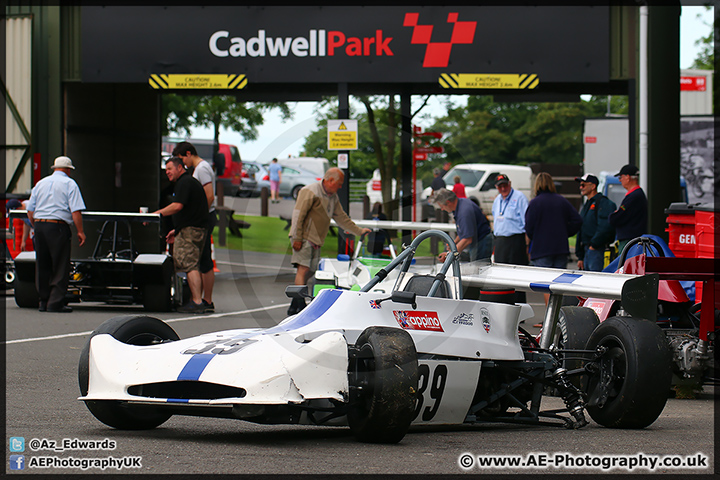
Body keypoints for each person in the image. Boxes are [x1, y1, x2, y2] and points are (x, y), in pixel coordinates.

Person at [288, 167, 371, 315]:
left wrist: (359, 231)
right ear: (330, 180)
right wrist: (297, 237)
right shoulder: (310, 191)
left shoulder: (333, 197)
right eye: (339, 184)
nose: (340, 187)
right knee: (304, 268)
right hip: (304, 236)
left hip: (316, 239)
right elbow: (298, 215)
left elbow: (341, 218)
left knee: (311, 270)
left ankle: (295, 302)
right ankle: (299, 305)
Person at [26, 156, 86, 313]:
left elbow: (30, 209)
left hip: (39, 224)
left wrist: (36, 225)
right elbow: (75, 210)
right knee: (60, 264)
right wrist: (80, 231)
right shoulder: (70, 184)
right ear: (67, 170)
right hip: (58, 226)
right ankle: (55, 302)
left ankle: (43, 300)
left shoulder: (41, 183)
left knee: (43, 263)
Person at [153, 157, 209, 314]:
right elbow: (190, 211)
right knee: (190, 263)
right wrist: (176, 230)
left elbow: (178, 206)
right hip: (192, 229)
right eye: (166, 170)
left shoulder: (184, 183)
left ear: (179, 167)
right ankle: (194, 300)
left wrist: (157, 214)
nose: (167, 172)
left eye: (170, 169)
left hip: (191, 231)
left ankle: (197, 301)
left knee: (190, 265)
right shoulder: (188, 182)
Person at [173, 141, 217, 313]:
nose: (183, 164)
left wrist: (199, 215)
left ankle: (205, 299)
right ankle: (205, 299)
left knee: (201, 259)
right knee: (204, 259)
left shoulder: (202, 169)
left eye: (182, 159)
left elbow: (209, 195)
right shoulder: (200, 168)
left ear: (189, 153)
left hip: (204, 217)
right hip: (203, 217)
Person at [525, 172, 582, 269]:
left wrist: (537, 236)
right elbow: (577, 220)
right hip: (560, 248)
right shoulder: (561, 201)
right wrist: (565, 232)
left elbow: (529, 227)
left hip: (541, 249)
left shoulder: (534, 203)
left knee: (543, 280)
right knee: (558, 281)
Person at [434, 188, 492, 263]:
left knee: (477, 270)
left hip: (481, 242)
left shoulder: (464, 212)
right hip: (480, 239)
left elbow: (467, 239)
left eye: (442, 206)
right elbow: (464, 232)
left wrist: (449, 255)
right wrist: (454, 244)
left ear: (448, 202)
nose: (442, 209)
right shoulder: (461, 203)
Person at [574, 173, 616, 271]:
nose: (581, 187)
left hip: (596, 250)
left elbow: (605, 226)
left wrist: (594, 245)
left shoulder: (603, 203)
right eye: (580, 185)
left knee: (595, 280)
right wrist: (580, 256)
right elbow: (581, 227)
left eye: (583, 185)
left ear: (593, 186)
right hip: (586, 250)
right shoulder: (587, 204)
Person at [608, 164, 648, 254]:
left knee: (625, 265)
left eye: (621, 177)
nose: (620, 180)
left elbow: (619, 217)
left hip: (629, 241)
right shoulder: (637, 195)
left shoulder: (634, 197)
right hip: (631, 239)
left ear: (628, 177)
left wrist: (613, 216)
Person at [491, 173, 529, 265]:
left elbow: (527, 221)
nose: (503, 189)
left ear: (510, 184)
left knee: (516, 270)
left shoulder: (519, 197)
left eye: (505, 185)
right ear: (496, 187)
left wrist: (527, 244)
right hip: (500, 241)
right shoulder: (497, 200)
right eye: (500, 187)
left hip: (515, 241)